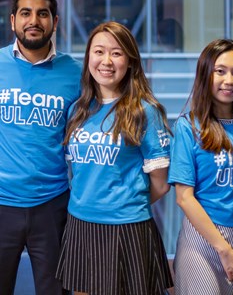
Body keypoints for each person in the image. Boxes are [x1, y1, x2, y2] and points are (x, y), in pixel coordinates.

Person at [55, 21, 173, 295]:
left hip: (128, 227)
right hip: (81, 224)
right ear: (88, 59)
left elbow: (161, 182)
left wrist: (122, 201)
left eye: (117, 53)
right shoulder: (77, 110)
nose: (106, 61)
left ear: (130, 62)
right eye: (98, 52)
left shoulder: (145, 111)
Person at [168, 38, 233, 295]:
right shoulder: (189, 126)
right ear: (205, 74)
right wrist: (223, 250)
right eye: (220, 71)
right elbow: (183, 198)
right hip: (203, 244)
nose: (230, 80)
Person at [0, 0, 82, 294]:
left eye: (42, 14)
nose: (34, 20)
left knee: (55, 291)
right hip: (1, 203)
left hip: (53, 204)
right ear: (13, 21)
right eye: (26, 13)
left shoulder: (76, 73)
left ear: (55, 22)